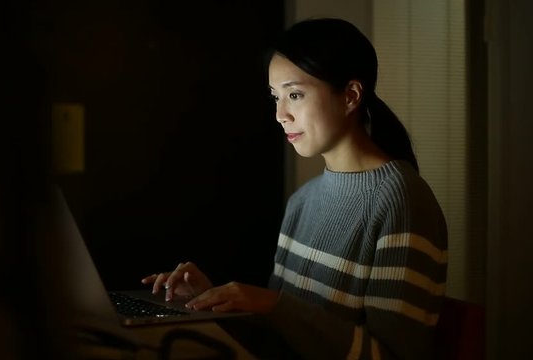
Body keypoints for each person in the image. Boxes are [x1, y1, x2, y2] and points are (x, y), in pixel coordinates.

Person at [141, 18, 448, 360]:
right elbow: (280, 335)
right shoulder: (302, 201)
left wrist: (271, 303)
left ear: (350, 96)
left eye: (295, 95)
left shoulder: (400, 200)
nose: (280, 114)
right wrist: (212, 299)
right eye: (276, 97)